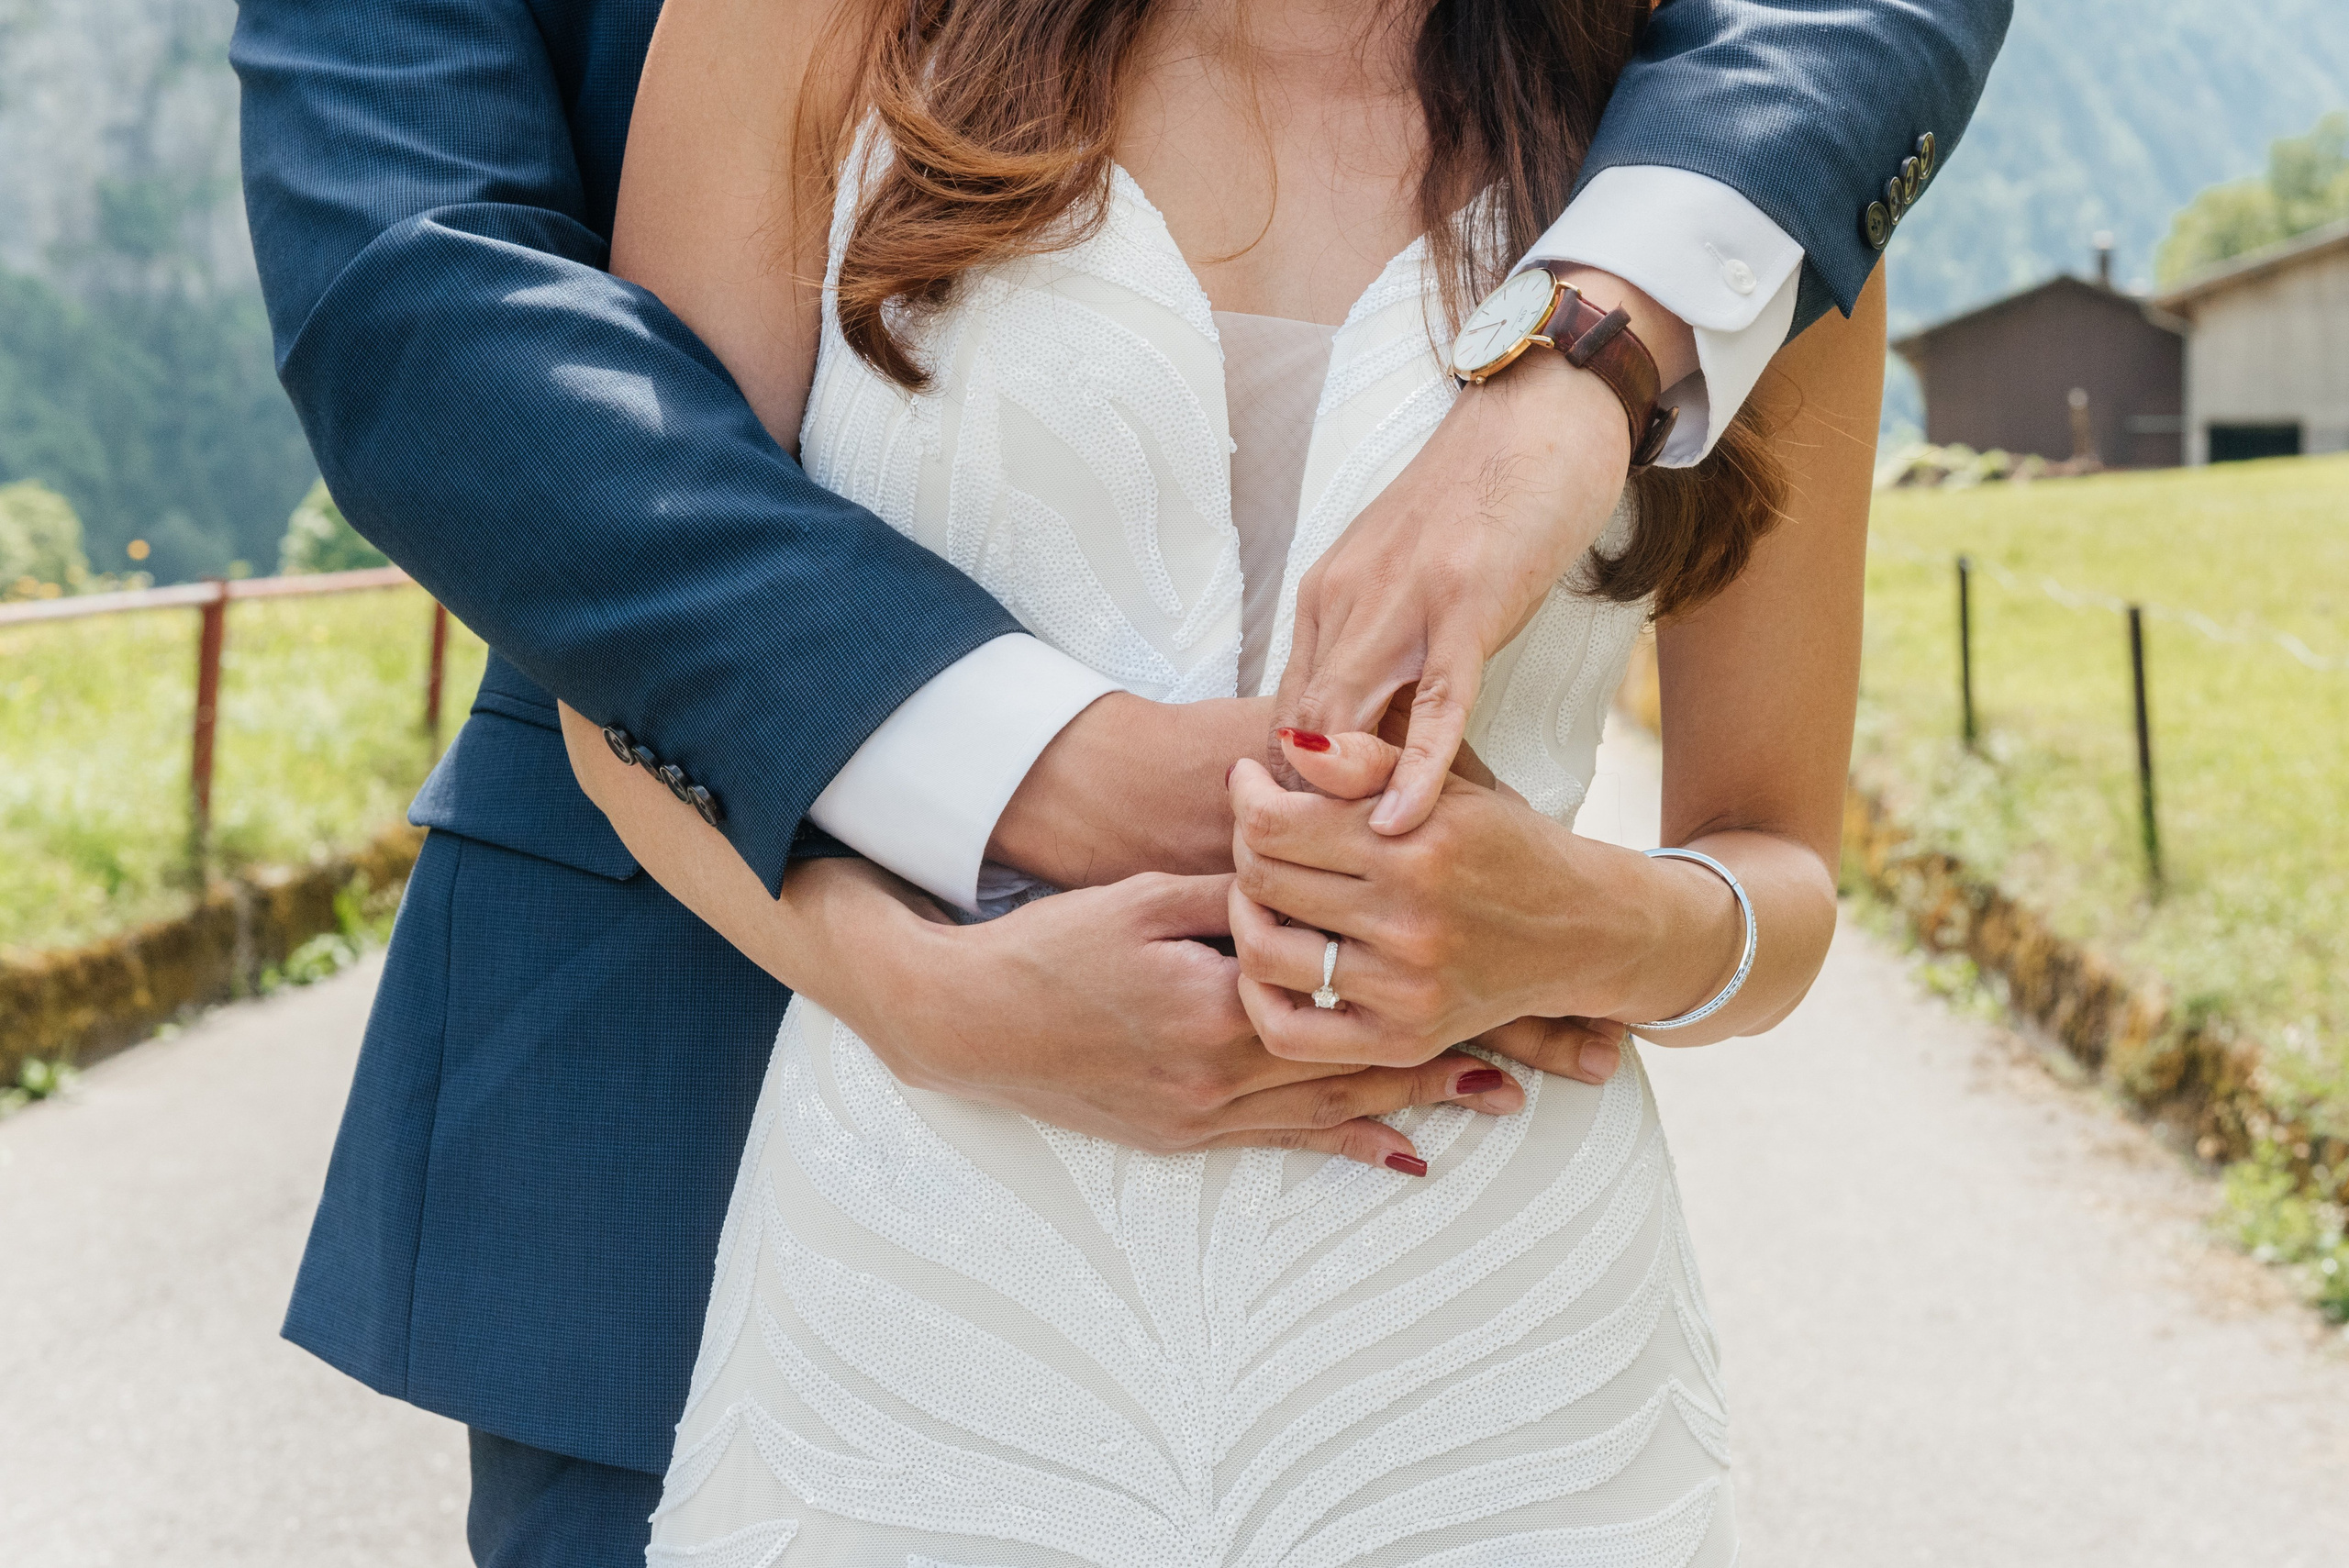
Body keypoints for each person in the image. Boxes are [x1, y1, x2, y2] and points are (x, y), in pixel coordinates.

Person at [229, 0, 2006, 1562]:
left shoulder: (1713, 183)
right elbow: (546, 503)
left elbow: (1769, 856)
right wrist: (919, 981)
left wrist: (1585, 918)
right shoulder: (812, 32)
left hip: (1496, 1380)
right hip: (896, 1334)